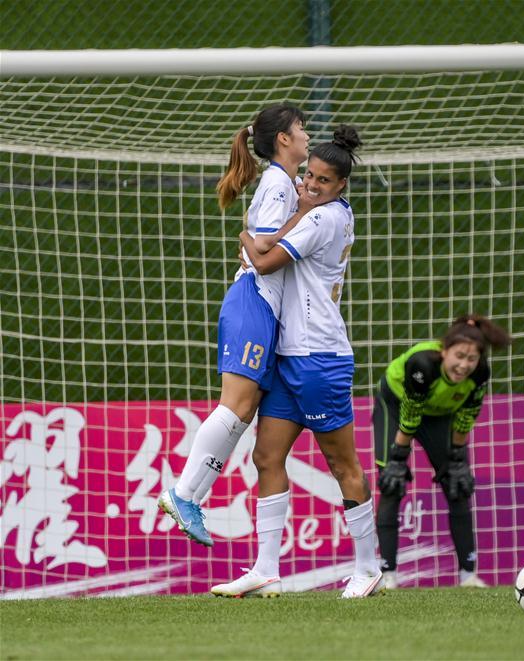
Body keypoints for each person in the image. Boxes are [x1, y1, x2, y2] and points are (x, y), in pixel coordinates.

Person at [211, 126, 381, 599]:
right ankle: (266, 568)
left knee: (341, 464)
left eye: (324, 180)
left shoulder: (325, 219)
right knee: (266, 456)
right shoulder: (318, 211)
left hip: (320, 358)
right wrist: (290, 214)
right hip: (290, 356)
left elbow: (263, 260)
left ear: (341, 186)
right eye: (309, 175)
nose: (311, 184)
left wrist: (246, 232)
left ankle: (367, 567)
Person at [158, 103, 311, 547]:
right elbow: (262, 247)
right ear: (283, 138)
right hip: (253, 302)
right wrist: (295, 216)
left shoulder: (282, 183)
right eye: (300, 127)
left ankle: (188, 498)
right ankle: (182, 493)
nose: (305, 134)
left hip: (259, 306)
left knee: (242, 411)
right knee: (234, 406)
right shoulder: (280, 182)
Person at [375, 315, 511, 589]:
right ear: (444, 350)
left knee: (457, 484)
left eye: (471, 359)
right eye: (459, 356)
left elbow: (467, 416)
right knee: (392, 482)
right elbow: (411, 413)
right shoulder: (422, 364)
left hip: (439, 414)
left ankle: (468, 574)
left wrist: (457, 457)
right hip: (396, 404)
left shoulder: (480, 373)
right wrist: (399, 456)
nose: (464, 365)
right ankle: (387, 573)